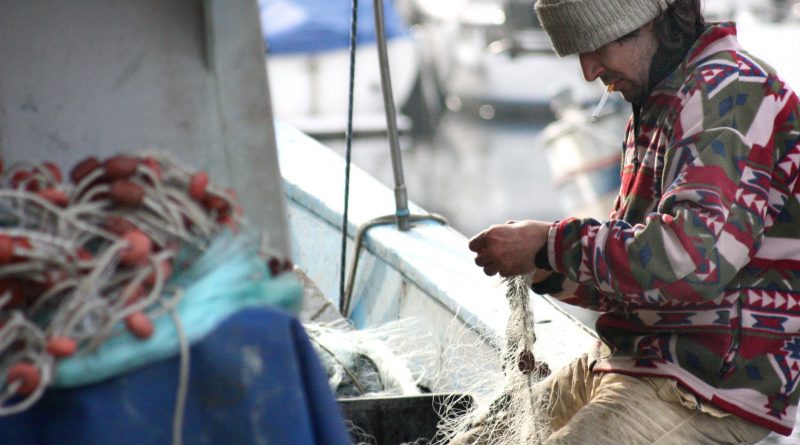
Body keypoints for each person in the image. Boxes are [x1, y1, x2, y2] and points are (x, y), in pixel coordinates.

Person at [466, 0, 800, 443]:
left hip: (708, 386)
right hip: (635, 358)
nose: (588, 71)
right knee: (483, 438)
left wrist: (550, 244)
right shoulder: (664, 95)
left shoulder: (729, 90)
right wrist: (549, 270)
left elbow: (689, 262)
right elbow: (642, 280)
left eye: (596, 46)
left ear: (650, 22)